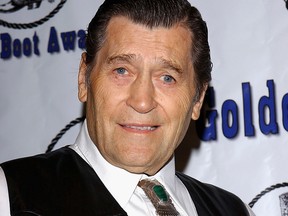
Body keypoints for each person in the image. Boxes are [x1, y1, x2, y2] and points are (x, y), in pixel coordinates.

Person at [0, 0, 255, 215]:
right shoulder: (10, 196)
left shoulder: (235, 210)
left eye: (167, 77)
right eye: (121, 71)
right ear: (83, 79)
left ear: (198, 98)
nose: (142, 101)